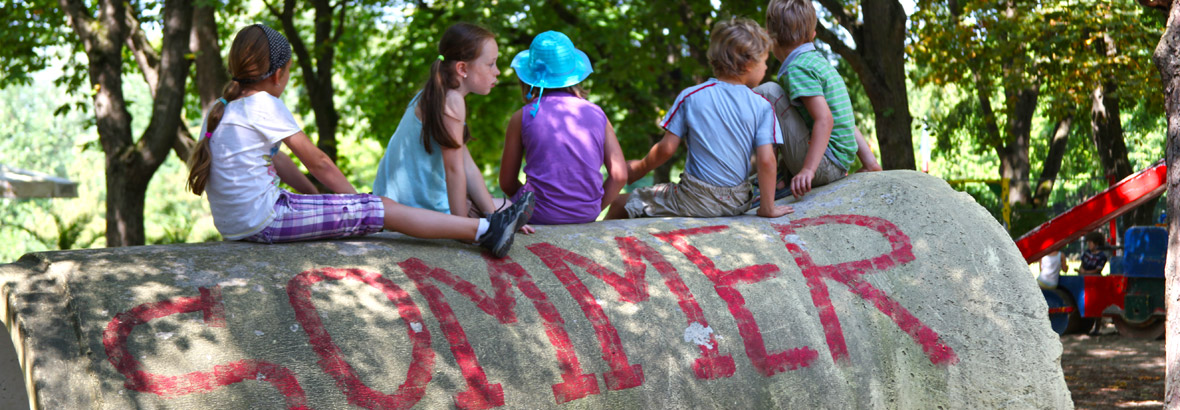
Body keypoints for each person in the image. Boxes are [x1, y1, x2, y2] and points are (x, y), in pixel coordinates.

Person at [186, 24, 532, 258]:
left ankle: (486, 222)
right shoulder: (264, 104)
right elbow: (317, 163)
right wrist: (360, 206)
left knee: (371, 206)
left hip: (244, 222)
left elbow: (282, 163)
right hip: (265, 219)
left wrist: (322, 200)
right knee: (379, 207)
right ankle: (484, 231)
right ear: (278, 73)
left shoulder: (225, 108)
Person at [604, 17, 793, 220]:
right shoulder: (762, 105)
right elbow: (766, 160)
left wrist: (640, 168)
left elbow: (667, 148)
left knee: (620, 203)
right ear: (748, 64)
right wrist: (767, 207)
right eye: (764, 61)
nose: (766, 68)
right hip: (737, 200)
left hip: (694, 198)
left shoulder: (691, 96)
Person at [372, 23, 534, 235]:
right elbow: (454, 170)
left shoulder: (436, 94)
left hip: (401, 202)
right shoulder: (451, 101)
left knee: (506, 207)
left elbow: (467, 167)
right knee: (508, 207)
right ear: (462, 69)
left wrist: (494, 215)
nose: (497, 72)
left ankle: (492, 220)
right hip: (415, 209)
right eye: (491, 64)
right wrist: (463, 228)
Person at [498, 31, 627, 225]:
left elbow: (507, 182)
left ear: (528, 78)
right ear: (574, 74)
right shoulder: (598, 114)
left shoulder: (521, 117)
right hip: (586, 214)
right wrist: (592, 208)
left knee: (479, 204)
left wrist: (529, 206)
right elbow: (619, 175)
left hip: (536, 214)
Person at [760, 0, 882, 200]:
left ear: (769, 36)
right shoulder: (820, 64)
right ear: (813, 34)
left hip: (821, 166)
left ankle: (768, 178)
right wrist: (870, 163)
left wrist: (808, 170)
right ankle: (781, 177)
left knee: (769, 92)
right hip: (837, 163)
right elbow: (844, 118)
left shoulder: (797, 68)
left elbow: (825, 120)